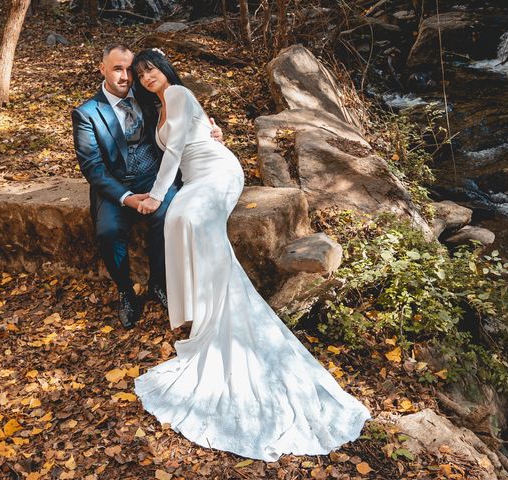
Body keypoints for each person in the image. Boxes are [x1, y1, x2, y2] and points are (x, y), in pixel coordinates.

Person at [131, 48, 370, 461]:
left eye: (150, 69)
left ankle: (218, 313)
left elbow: (174, 153)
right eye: (140, 74)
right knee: (177, 221)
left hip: (217, 172)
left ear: (165, 69)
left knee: (184, 218)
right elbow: (188, 138)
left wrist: (155, 196)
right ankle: (198, 311)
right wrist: (211, 131)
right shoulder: (162, 107)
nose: (146, 77)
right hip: (196, 176)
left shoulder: (178, 93)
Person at [71, 44, 223, 329]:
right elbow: (93, 168)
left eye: (130, 69)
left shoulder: (148, 96)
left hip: (155, 178)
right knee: (108, 231)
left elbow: (183, 119)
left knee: (168, 217)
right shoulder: (87, 113)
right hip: (115, 186)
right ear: (102, 68)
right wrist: (126, 198)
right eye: (117, 69)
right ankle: (126, 292)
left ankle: (158, 284)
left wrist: (210, 130)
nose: (126, 76)